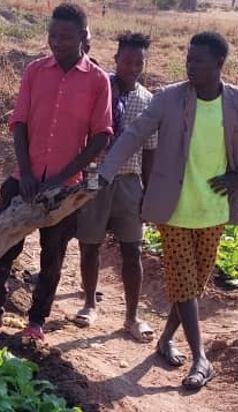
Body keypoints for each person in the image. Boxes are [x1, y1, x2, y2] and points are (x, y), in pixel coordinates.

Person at [98, 32, 238, 389]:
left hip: (215, 209)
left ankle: (166, 339)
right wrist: (105, 173)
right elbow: (134, 135)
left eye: (199, 60)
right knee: (185, 281)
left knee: (193, 285)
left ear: (219, 64)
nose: (191, 65)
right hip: (173, 209)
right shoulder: (168, 99)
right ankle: (201, 358)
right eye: (188, 58)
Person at [0, 3, 112, 342]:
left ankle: (36, 322)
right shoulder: (35, 71)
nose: (57, 42)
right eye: (53, 35)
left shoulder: (98, 81)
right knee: (0, 245)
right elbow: (20, 123)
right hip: (23, 180)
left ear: (83, 37)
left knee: (51, 258)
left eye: (66, 37)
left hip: (65, 189)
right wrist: (26, 173)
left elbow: (100, 136)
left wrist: (61, 178)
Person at [73, 32, 156, 342]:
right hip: (95, 178)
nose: (132, 67)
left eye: (139, 62)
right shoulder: (100, 90)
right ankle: (89, 302)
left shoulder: (148, 101)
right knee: (89, 245)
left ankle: (132, 316)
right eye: (127, 60)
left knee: (132, 250)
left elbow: (150, 150)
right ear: (116, 60)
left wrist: (147, 190)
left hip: (130, 182)